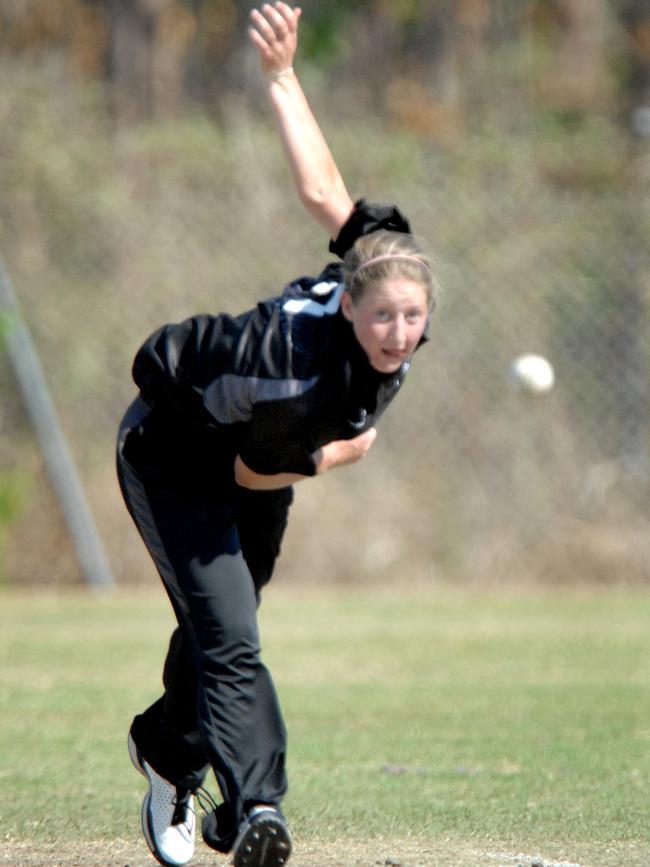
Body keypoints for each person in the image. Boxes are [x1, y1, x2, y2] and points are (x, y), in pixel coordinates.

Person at [117, 4, 435, 867]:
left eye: (413, 316)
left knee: (225, 622)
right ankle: (258, 807)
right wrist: (339, 454)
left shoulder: (377, 266)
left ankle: (166, 747)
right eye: (383, 318)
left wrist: (283, 76)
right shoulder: (298, 378)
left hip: (255, 447)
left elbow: (326, 192)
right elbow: (258, 470)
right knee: (230, 635)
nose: (398, 332)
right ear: (348, 306)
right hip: (179, 450)